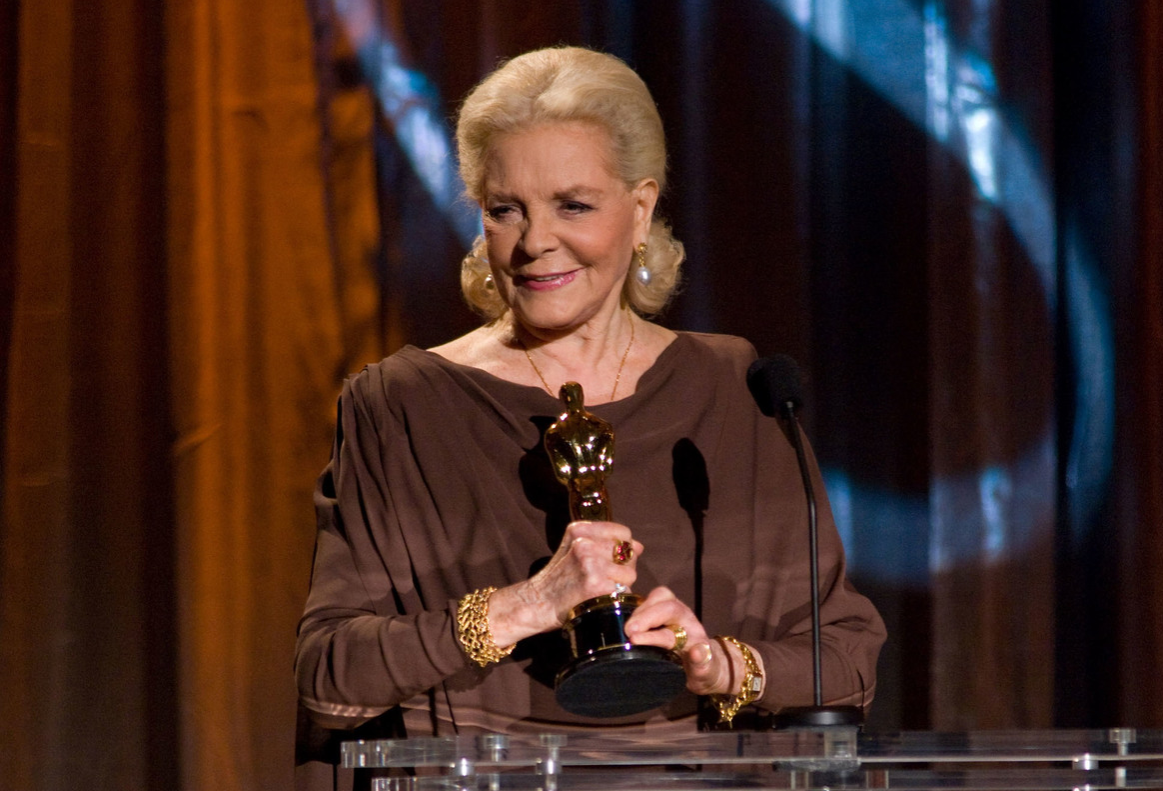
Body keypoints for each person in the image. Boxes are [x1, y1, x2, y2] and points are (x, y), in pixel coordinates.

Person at [295, 46, 885, 750]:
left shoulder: (735, 392)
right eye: (505, 210)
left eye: (572, 205)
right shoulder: (400, 406)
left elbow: (845, 661)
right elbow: (329, 677)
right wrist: (525, 605)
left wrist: (718, 662)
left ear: (639, 210)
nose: (535, 241)